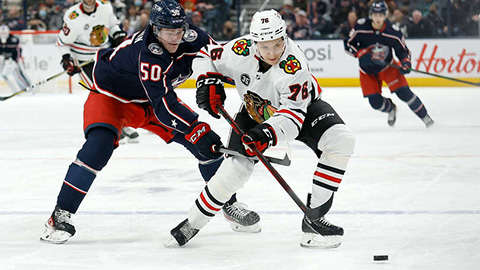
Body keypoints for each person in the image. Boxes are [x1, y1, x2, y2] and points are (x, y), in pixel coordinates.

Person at [40, 0, 259, 244]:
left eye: (179, 30)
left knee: (205, 147)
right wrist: (197, 129)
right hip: (112, 98)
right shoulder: (148, 54)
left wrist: (227, 80)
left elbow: (220, 60)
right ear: (154, 29)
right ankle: (60, 214)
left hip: (150, 99)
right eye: (168, 32)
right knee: (98, 148)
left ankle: (229, 204)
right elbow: (164, 105)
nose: (176, 38)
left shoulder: (193, 36)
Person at [167, 9, 355, 249]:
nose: (272, 53)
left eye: (277, 45)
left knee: (341, 140)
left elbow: (293, 116)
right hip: (254, 110)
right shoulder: (240, 49)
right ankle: (191, 223)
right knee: (235, 170)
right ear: (254, 42)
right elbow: (206, 55)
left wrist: (266, 134)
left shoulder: (294, 66)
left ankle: (314, 219)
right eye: (265, 47)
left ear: (284, 37)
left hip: (301, 110)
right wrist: (208, 80)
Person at [56, 0, 139, 143]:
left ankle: (122, 124)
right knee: (102, 92)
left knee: (117, 89)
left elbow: (112, 25)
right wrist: (66, 60)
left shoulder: (105, 7)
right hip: (83, 60)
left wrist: (118, 34)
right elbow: (62, 43)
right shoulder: (73, 16)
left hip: (103, 55)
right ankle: (116, 127)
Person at [344, 1, 434, 127]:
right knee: (375, 103)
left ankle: (425, 117)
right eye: (375, 15)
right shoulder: (361, 27)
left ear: (385, 15)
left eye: (380, 15)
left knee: (404, 93)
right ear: (371, 15)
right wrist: (360, 53)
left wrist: (405, 63)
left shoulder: (392, 31)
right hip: (367, 71)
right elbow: (348, 44)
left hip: (388, 67)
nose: (378, 18)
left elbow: (403, 51)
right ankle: (391, 108)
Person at [0, 24, 31, 93]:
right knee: (4, 75)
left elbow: (18, 51)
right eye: (1, 33)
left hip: (15, 60)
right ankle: (15, 91)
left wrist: (15, 61)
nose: (3, 35)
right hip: (5, 61)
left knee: (18, 75)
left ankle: (29, 89)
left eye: (4, 33)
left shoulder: (13, 40)